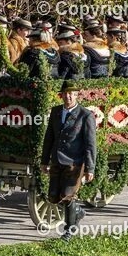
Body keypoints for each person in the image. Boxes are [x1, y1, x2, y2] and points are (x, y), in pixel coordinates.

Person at [41, 81, 97, 240]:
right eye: (65, 93)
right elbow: (49, 138)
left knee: (67, 195)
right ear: (61, 95)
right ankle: (77, 211)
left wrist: (90, 168)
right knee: (53, 196)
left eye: (71, 93)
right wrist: (44, 161)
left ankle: (69, 230)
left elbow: (90, 144)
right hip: (56, 161)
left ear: (77, 94)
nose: (68, 96)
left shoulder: (85, 115)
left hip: (75, 162)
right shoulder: (56, 111)